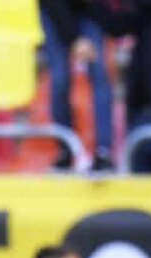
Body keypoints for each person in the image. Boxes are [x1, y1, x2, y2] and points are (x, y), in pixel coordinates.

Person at [40, 0, 115, 171]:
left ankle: (104, 152)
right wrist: (74, 39)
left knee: (100, 74)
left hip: (89, 10)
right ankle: (65, 149)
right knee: (60, 79)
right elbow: (54, 6)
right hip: (55, 11)